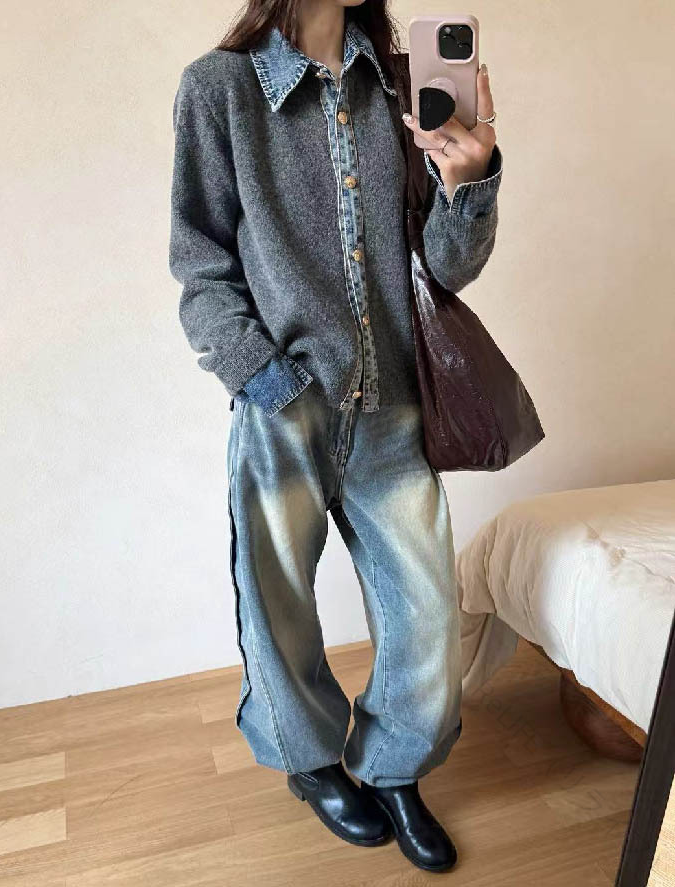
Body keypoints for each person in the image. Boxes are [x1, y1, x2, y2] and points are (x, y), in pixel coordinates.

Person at [169, 0, 501, 873]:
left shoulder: (400, 83)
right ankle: (311, 762)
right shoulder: (219, 90)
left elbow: (445, 267)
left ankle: (394, 766)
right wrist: (261, 375)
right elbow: (200, 265)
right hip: (285, 406)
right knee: (276, 603)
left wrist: (469, 179)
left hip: (394, 404)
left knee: (427, 613)